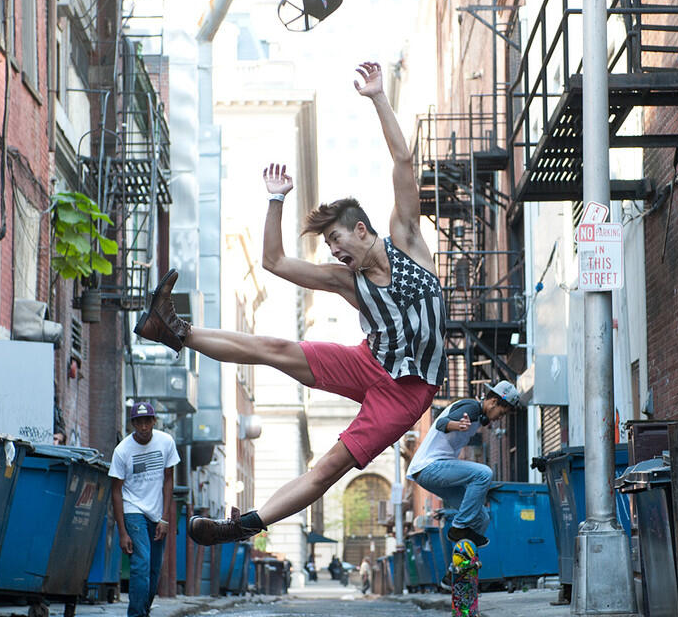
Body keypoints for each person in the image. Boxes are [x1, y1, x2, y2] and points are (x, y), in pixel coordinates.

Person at [133, 61, 447, 546]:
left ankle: (243, 526)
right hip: (369, 363)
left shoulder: (407, 240)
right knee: (275, 347)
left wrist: (378, 97)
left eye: (340, 241)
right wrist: (275, 200)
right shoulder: (348, 281)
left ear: (362, 229)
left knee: (328, 468)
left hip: (406, 394)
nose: (337, 253)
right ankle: (173, 329)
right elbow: (275, 261)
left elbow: (403, 163)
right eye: (332, 249)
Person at [406, 380, 524, 548]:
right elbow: (441, 424)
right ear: (493, 402)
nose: (500, 418)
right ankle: (458, 527)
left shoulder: (478, 416)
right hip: (429, 467)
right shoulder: (471, 408)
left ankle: (460, 569)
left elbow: (483, 419)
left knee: (481, 518)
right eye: (502, 412)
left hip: (433, 472)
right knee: (484, 473)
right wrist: (457, 425)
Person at [109, 401, 179, 617]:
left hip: (157, 513)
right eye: (138, 422)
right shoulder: (122, 451)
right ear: (133, 424)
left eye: (147, 421)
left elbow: (169, 479)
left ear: (153, 421)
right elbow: (116, 491)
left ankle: (144, 614)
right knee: (141, 563)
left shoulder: (166, 442)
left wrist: (165, 517)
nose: (143, 426)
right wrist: (122, 531)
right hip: (133, 509)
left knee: (154, 568)